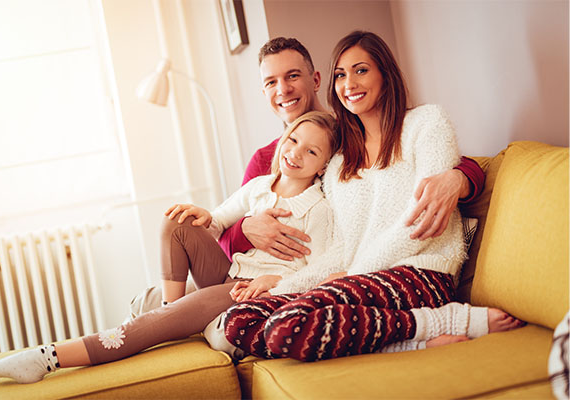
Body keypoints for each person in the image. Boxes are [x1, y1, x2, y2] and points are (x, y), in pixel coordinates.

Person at [126, 36, 486, 317]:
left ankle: (171, 310)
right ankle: (163, 306)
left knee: (179, 308)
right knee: (150, 299)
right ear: (264, 91)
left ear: (315, 80)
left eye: (292, 76)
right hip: (257, 274)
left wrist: (460, 178)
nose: (283, 90)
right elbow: (226, 242)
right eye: (271, 82)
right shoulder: (265, 159)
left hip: (316, 273)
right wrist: (245, 228)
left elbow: (446, 167)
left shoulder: (351, 134)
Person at [222, 31, 523, 362]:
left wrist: (353, 274)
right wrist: (285, 283)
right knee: (241, 321)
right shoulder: (337, 162)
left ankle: (447, 319)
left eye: (361, 70)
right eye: (341, 74)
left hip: (420, 273)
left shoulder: (426, 124)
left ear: (385, 74)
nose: (349, 83)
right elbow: (341, 247)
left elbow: (419, 224)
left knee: (285, 327)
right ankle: (410, 342)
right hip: (361, 280)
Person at [0, 111, 341, 383]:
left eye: (311, 152)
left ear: (324, 164)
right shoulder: (261, 185)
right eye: (293, 140)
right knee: (177, 221)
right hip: (230, 272)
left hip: (249, 291)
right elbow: (215, 222)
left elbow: (320, 270)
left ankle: (46, 358)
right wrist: (201, 215)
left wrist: (272, 282)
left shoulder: (319, 208)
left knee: (150, 322)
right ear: (285, 137)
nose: (295, 153)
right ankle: (173, 310)